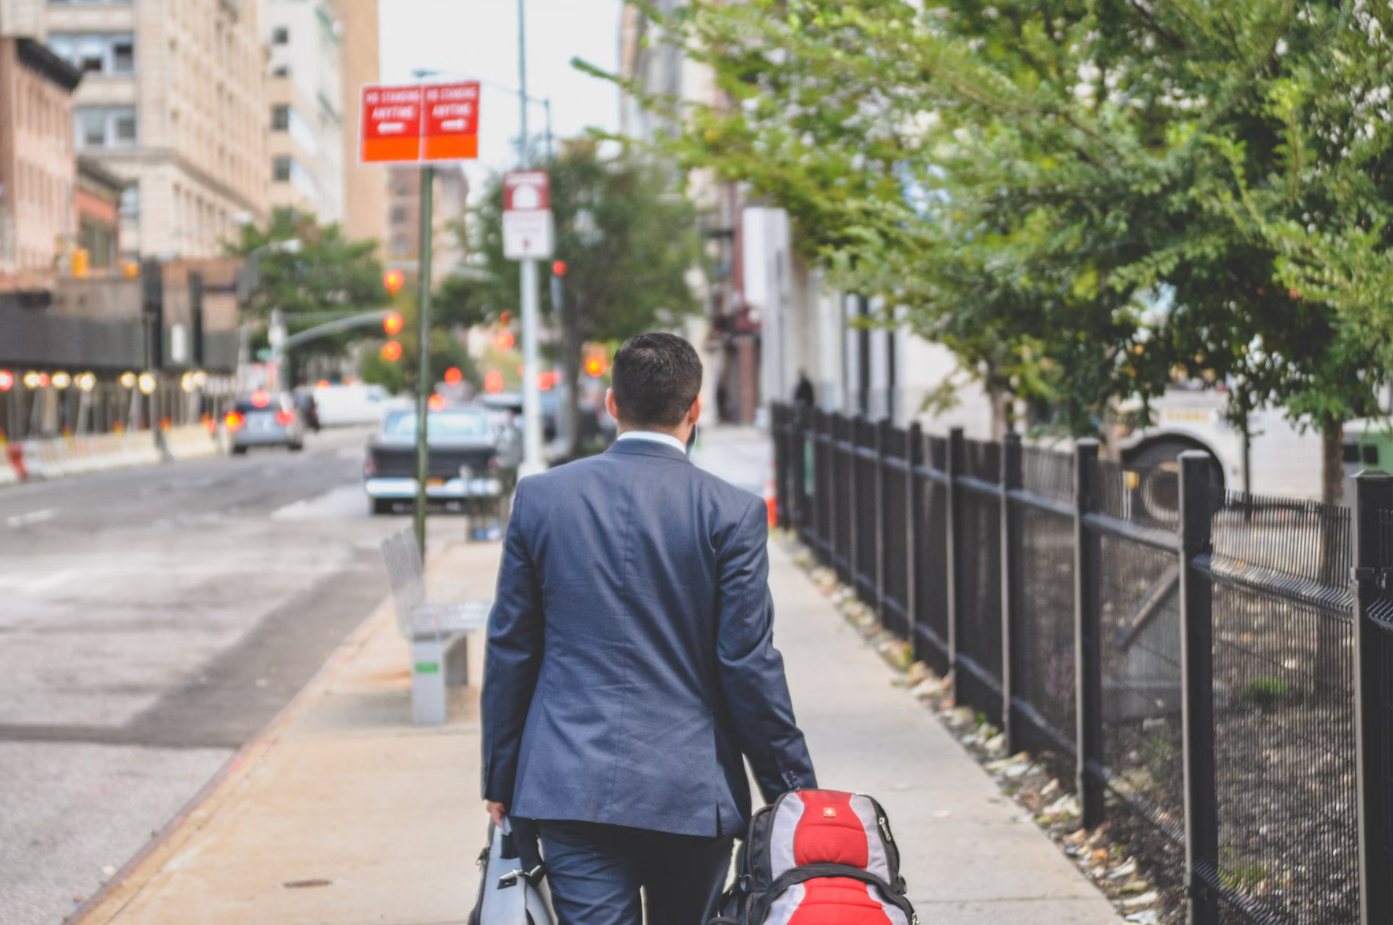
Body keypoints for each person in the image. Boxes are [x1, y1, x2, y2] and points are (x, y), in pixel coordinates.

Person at [481, 333, 816, 925]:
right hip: (690, 788)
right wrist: (793, 790)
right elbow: (747, 664)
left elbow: (513, 646)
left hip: (569, 782)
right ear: (695, 409)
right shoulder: (731, 512)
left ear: (611, 403)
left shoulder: (541, 499)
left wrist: (501, 776)